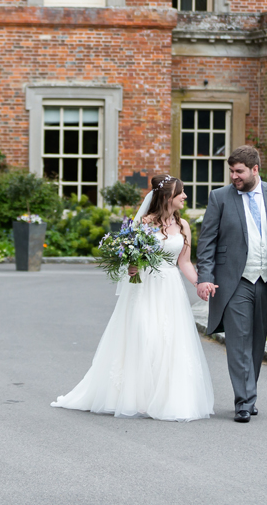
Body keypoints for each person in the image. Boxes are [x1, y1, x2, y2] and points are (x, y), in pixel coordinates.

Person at [51, 175, 216, 421]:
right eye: (180, 192)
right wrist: (131, 266)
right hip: (145, 287)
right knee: (145, 335)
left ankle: (164, 398)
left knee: (168, 340)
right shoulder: (144, 224)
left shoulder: (183, 225)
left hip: (170, 289)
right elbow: (130, 256)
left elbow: (184, 262)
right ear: (167, 196)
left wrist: (199, 283)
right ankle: (138, 397)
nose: (185, 196)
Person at [196, 145, 267, 423]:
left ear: (255, 169)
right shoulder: (219, 198)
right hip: (235, 282)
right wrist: (205, 277)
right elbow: (206, 243)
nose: (234, 176)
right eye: (231, 171)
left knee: (256, 342)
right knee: (238, 341)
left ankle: (248, 393)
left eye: (239, 171)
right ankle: (244, 401)